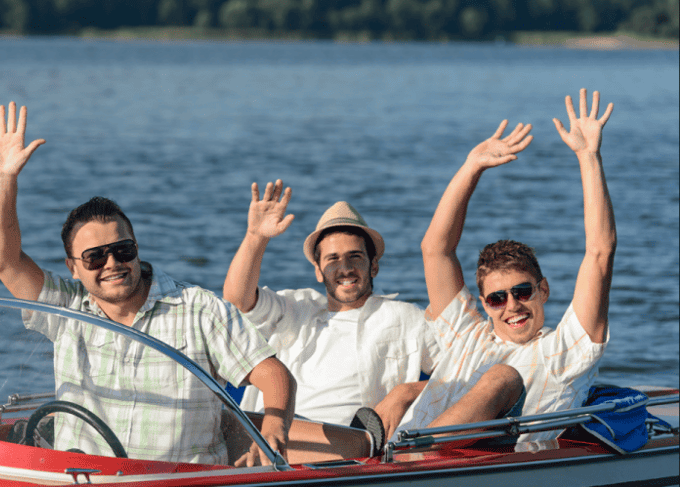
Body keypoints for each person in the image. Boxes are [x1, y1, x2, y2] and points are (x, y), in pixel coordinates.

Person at [0, 101, 295, 467]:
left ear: (136, 249)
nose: (112, 264)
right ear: (73, 268)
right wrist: (4, 180)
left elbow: (273, 373)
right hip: (84, 479)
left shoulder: (198, 309)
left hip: (181, 481)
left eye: (123, 250)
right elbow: (3, 260)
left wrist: (273, 428)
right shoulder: (66, 308)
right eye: (95, 257)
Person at [388, 88, 614, 444]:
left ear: (543, 290)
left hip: (458, 465)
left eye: (522, 292)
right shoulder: (467, 335)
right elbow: (435, 250)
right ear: (484, 303)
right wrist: (472, 167)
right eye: (497, 298)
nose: (512, 306)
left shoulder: (564, 350)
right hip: (386, 460)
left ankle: (414, 454)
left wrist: (589, 156)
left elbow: (600, 253)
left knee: (501, 376)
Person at [222, 180, 438, 438]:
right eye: (332, 259)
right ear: (318, 271)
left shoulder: (407, 318)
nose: (345, 268)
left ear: (374, 266)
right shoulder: (295, 308)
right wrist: (255, 236)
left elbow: (464, 371)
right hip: (273, 433)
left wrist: (406, 393)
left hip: (346, 443)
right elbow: (236, 301)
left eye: (355, 256)